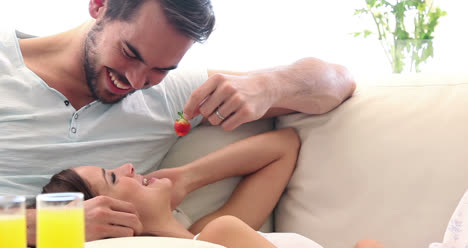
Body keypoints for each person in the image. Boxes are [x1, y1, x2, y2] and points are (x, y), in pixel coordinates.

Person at [0, 0, 356, 245]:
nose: (137, 81)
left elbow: (337, 82)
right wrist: (47, 226)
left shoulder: (169, 95)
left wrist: (268, 87)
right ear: (99, 3)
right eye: (130, 52)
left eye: (162, 67)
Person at [41, 128, 323, 248]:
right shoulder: (221, 231)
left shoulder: (211, 231)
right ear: (107, 220)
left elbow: (284, 146)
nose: (128, 166)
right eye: (113, 178)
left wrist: (187, 177)